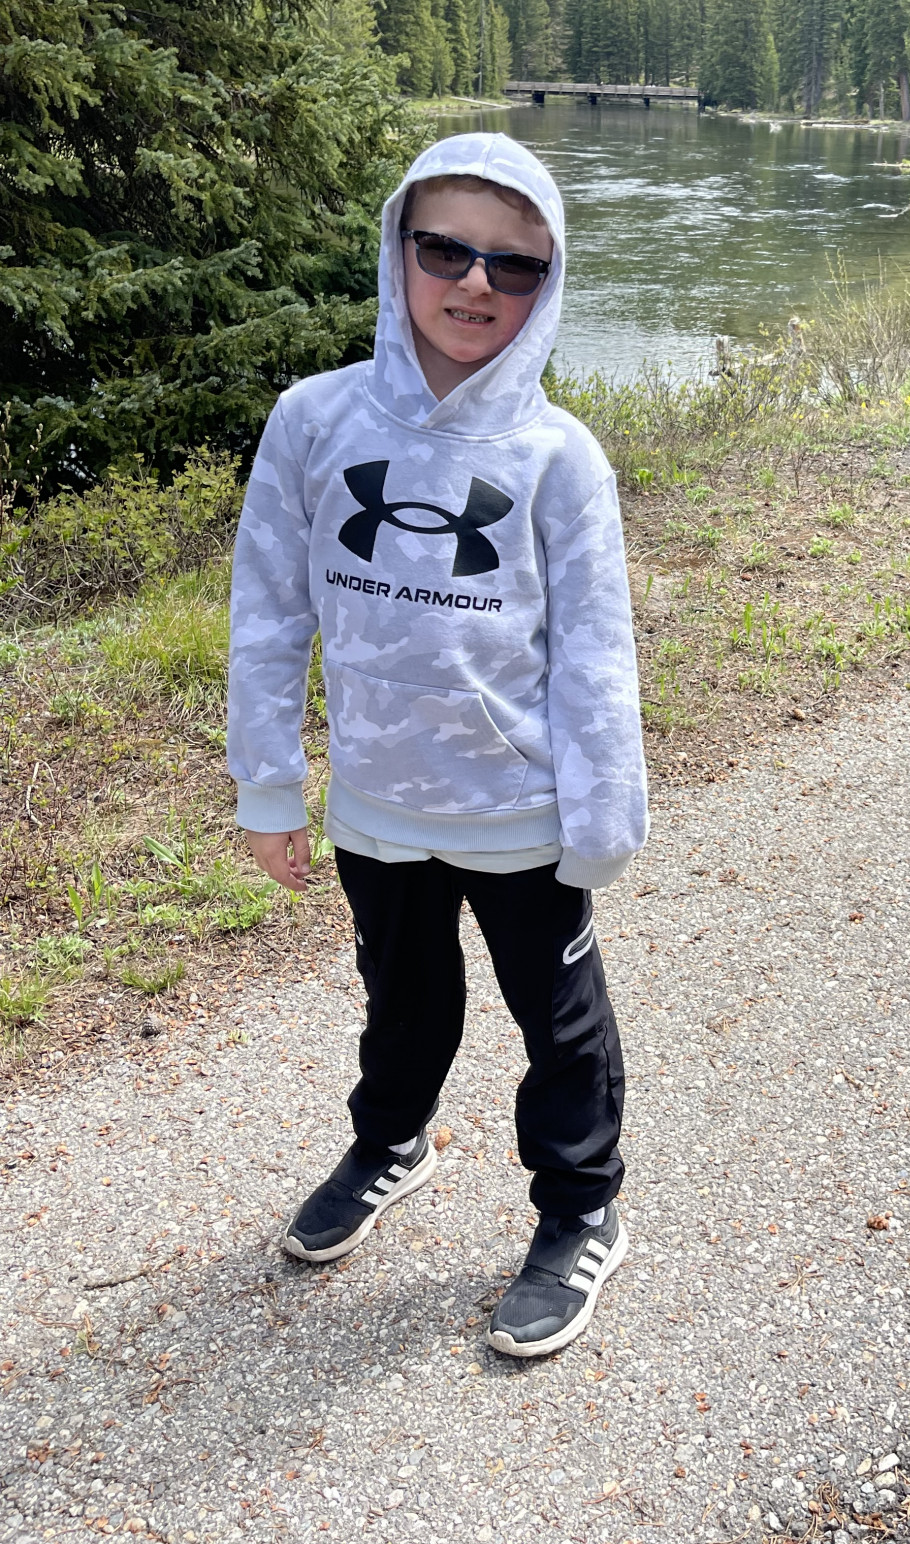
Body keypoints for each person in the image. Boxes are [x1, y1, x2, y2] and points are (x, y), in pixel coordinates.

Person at [226, 132, 647, 1359]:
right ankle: (390, 1139)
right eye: (447, 249)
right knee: (401, 999)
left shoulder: (559, 458)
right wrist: (269, 783)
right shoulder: (314, 422)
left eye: (513, 265)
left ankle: (581, 1208)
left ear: (547, 284)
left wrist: (603, 813)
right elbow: (268, 612)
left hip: (521, 812)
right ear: (398, 249)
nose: (474, 283)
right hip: (378, 803)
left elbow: (595, 650)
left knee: (558, 1022)